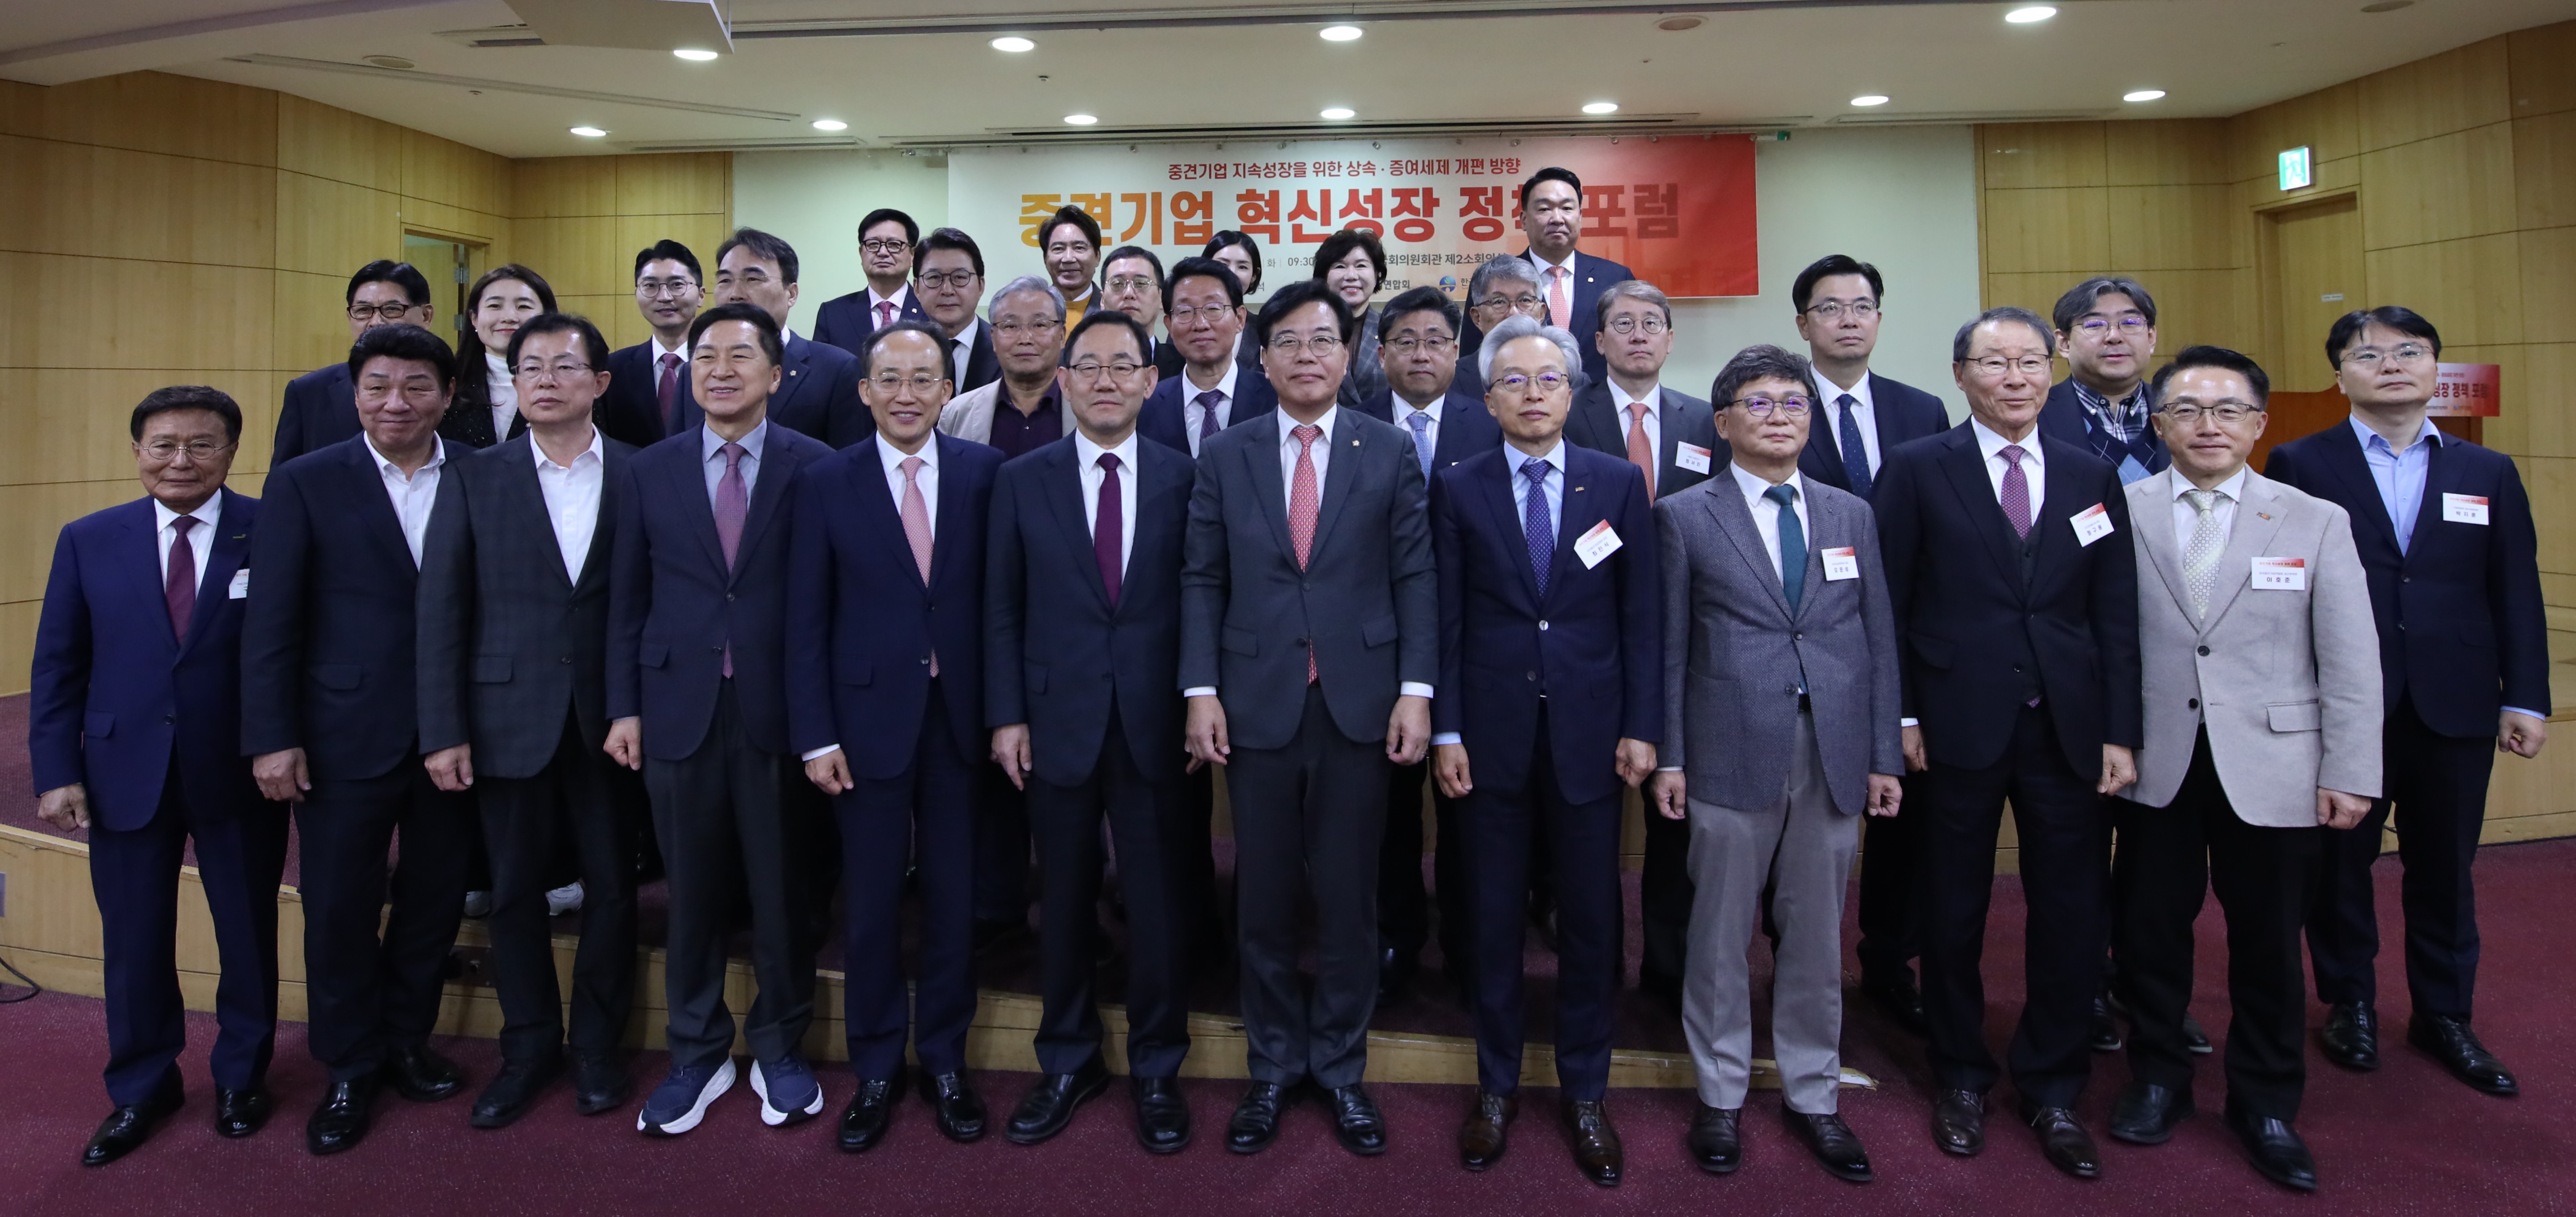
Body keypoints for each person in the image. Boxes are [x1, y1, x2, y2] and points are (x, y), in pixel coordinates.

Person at [1873, 307, 2141, 1180]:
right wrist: (1900, 716)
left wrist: (2119, 730)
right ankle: (1958, 1073)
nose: (2015, 378)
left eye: (2029, 362)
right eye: (1994, 363)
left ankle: (2053, 1083)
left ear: (2050, 370)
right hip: (1953, 722)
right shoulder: (1917, 467)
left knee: (2070, 910)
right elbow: (1888, 605)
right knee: (1951, 909)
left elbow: (2113, 612)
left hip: (2066, 725)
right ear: (1961, 375)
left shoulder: (2089, 473)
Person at [2107, 346, 2381, 1193]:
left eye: (2228, 409)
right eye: (2187, 410)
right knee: (2150, 933)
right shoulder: (2116, 508)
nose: (2208, 425)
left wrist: (2351, 768)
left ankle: (2265, 1101)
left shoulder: (2314, 518)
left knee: (2268, 943)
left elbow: (2350, 657)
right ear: (2159, 424)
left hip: (2276, 762)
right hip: (2155, 760)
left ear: (2259, 423)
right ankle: (2158, 1076)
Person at [1182, 279, 1436, 1157]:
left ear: (1347, 353)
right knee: (1261, 899)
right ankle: (1271, 1065)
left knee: (1347, 897)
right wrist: (1199, 688)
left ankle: (1339, 1066)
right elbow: (1202, 576)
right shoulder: (1228, 451)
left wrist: (1415, 688)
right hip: (1253, 700)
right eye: (1287, 341)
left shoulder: (1388, 447)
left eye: (1321, 340)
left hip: (1358, 701)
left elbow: (1415, 574)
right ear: (1262, 357)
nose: (1304, 355)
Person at [2270, 306, 2550, 1098]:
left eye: (2408, 351)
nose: (2390, 365)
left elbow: (2514, 588)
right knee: (2338, 864)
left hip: (2455, 698)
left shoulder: (2486, 470)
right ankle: (2349, 1001)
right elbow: (2284, 584)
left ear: (2434, 368)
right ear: (2339, 375)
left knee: (2445, 865)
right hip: (2341, 699)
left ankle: (2444, 1012)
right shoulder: (2300, 460)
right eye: (2368, 355)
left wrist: (2527, 697)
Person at [1649, 344, 1903, 1184]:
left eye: (1793, 402)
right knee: (1719, 932)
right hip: (1725, 747)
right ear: (1723, 422)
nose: (1779, 416)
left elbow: (1876, 637)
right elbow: (1670, 649)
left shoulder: (1849, 512)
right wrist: (1670, 756)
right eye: (1758, 403)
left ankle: (1813, 1091)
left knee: (1817, 934)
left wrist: (1882, 752)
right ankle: (1719, 1090)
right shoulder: (1684, 514)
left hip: (1832, 750)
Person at [242, 323, 477, 1156]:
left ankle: (407, 1039)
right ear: (354, 393)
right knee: (339, 907)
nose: (395, 402)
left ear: (448, 395)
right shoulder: (305, 481)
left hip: (455, 732)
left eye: (417, 386)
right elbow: (271, 620)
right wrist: (273, 736)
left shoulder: (483, 472)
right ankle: (348, 1063)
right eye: (377, 385)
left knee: (433, 899)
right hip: (340, 731)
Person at [1434, 315, 1658, 1185]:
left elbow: (1639, 616)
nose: (1533, 395)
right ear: (1487, 398)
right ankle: (1494, 1086)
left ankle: (1586, 1090)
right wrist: (1447, 729)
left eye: (1549, 380)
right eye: (1514, 381)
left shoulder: (1617, 482)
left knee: (1592, 920)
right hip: (1487, 736)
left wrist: (1641, 724)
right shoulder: (1459, 485)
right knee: (1492, 919)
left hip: (1590, 736)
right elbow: (1446, 619)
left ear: (1572, 391)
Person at [34, 387, 284, 1166]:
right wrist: (56, 769)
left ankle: (241, 1075)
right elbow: (58, 665)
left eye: (201, 444)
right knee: (134, 937)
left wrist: (283, 742)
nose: (181, 460)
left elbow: (294, 648)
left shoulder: (273, 528)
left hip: (240, 766)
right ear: (137, 450)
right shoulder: (89, 538)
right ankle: (143, 1085)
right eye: (164, 444)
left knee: (248, 930)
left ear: (231, 451)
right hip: (122, 768)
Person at [607, 303, 836, 1136]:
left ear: (776, 374)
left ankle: (780, 1044)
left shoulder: (818, 465)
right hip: (678, 706)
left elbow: (831, 601)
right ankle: (696, 1051)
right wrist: (624, 706)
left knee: (782, 890)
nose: (721, 369)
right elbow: (626, 598)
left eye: (741, 356)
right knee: (691, 891)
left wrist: (825, 720)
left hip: (780, 708)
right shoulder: (650, 469)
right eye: (706, 356)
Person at [416, 312, 638, 1129]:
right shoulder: (475, 475)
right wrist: (443, 727)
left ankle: (599, 1045)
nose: (545, 379)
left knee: (614, 887)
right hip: (505, 714)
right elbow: (442, 608)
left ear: (599, 383)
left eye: (563, 365)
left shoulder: (642, 472)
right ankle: (528, 1046)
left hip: (612, 720)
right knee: (513, 891)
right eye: (529, 366)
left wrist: (637, 703)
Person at [985, 310, 1197, 1153]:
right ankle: (1068, 1059)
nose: (1106, 380)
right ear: (1065, 380)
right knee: (1065, 900)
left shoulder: (1187, 476)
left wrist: (1200, 699)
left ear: (1151, 380)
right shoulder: (1020, 479)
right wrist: (1007, 713)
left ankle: (1158, 1064)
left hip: (1156, 722)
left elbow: (1204, 599)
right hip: (1054, 722)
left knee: (1157, 903)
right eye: (1090, 367)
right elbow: (1002, 607)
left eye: (1124, 365)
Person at [789, 320, 1004, 1150]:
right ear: (864, 390)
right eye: (891, 379)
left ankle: (945, 1059)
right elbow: (806, 620)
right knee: (872, 904)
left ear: (948, 391)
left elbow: (1001, 608)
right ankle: (876, 1065)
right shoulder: (825, 480)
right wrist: (816, 735)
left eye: (924, 380)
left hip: (959, 722)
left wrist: (1004, 715)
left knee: (954, 899)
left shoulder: (986, 473)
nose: (907, 395)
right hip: (862, 724)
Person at [1784, 253, 1950, 1033]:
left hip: (1901, 631)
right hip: (1802, 632)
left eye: (1861, 306)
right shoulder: (1775, 403)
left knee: (1900, 809)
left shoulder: (1922, 409)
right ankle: (1791, 957)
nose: (1847, 319)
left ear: (1880, 318)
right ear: (1802, 323)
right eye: (1829, 307)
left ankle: (1889, 956)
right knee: (1798, 807)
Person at [1558, 278, 1720, 1007]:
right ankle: (1584, 954)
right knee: (1585, 807)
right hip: (1590, 624)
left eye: (1651, 323)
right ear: (1598, 342)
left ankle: (1666, 961)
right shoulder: (1568, 410)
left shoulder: (1704, 419)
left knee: (1673, 805)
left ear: (1669, 338)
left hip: (1686, 632)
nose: (1638, 335)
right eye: (1622, 324)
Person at [1354, 285, 1500, 1003]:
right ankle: (1396, 936)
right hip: (1380, 647)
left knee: (1472, 808)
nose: (1420, 354)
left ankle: (1471, 944)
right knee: (1387, 810)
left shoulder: (1493, 421)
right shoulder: (1350, 425)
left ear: (1457, 351)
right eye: (1405, 342)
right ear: (1380, 354)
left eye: (1435, 341)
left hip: (1476, 645)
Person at [711, 226, 871, 447]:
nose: (735, 294)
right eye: (725, 281)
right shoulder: (696, 372)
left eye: (753, 279)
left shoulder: (837, 370)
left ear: (792, 294)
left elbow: (850, 460)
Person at [274, 260, 433, 466]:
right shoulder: (308, 393)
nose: (376, 322)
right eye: (363, 310)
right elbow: (283, 479)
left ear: (426, 316)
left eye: (392, 309)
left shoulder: (456, 390)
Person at [1138, 259, 1276, 459]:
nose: (1201, 324)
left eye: (1213, 309)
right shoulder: (1145, 406)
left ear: (1240, 319)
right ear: (1169, 325)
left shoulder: (1276, 397)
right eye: (1185, 311)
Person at [2039, 277, 2168, 484]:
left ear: (2151, 338)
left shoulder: (2181, 410)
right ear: (2064, 343)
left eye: (2130, 323)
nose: (2114, 336)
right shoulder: (2034, 414)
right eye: (2095, 325)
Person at [1517, 166, 1634, 387]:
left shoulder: (1616, 278)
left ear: (1580, 217)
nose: (1557, 219)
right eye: (1544, 209)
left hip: (1601, 402)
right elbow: (1473, 362)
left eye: (1567, 208)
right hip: (1524, 401)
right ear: (1524, 220)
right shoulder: (1500, 280)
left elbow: (1631, 348)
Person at [940, 276, 1067, 458]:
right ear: (993, 338)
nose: (1025, 339)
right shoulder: (957, 413)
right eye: (1011, 326)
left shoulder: (1087, 407)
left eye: (1040, 325)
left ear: (1062, 336)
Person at [600, 240, 705, 447]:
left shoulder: (722, 367)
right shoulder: (612, 369)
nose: (664, 297)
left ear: (701, 295)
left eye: (677, 285)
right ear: (636, 294)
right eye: (650, 286)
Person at [444, 265, 555, 450]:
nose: (509, 317)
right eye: (495, 306)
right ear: (474, 318)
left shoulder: (572, 381)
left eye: (523, 306)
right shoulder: (447, 381)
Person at [811, 207, 927, 355]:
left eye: (894, 245)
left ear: (913, 255)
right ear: (861, 253)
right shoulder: (833, 314)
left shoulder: (930, 309)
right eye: (873, 244)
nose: (883, 252)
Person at [915, 227, 1001, 394]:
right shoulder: (900, 350)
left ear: (981, 286)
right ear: (917, 288)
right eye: (934, 278)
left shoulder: (1005, 347)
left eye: (960, 277)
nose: (947, 290)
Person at [1318, 228, 1389, 412]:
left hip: (1383, 427)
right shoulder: (1308, 331)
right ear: (1324, 277)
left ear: (1377, 275)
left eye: (1361, 266)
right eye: (1340, 267)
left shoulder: (1391, 329)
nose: (1351, 276)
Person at [1459, 253, 1547, 400]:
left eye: (1525, 300)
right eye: (1499, 302)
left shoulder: (1569, 376)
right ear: (1477, 317)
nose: (1513, 313)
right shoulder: (1452, 380)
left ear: (1542, 314)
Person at [1100, 244, 1187, 381]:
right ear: (1102, 300)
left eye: (1141, 284)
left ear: (1161, 298)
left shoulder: (1186, 365)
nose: (1129, 294)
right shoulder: (1077, 362)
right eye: (1117, 284)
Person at [1202, 229, 1267, 372]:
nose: (1232, 273)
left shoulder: (1265, 328)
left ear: (1254, 276)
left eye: (1242, 267)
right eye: (1223, 265)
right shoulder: (1186, 322)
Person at [1041, 205, 1103, 331]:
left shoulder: (1114, 310)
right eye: (1059, 249)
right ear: (1045, 258)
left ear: (1097, 256)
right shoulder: (1029, 311)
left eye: (1079, 248)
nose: (1068, 258)